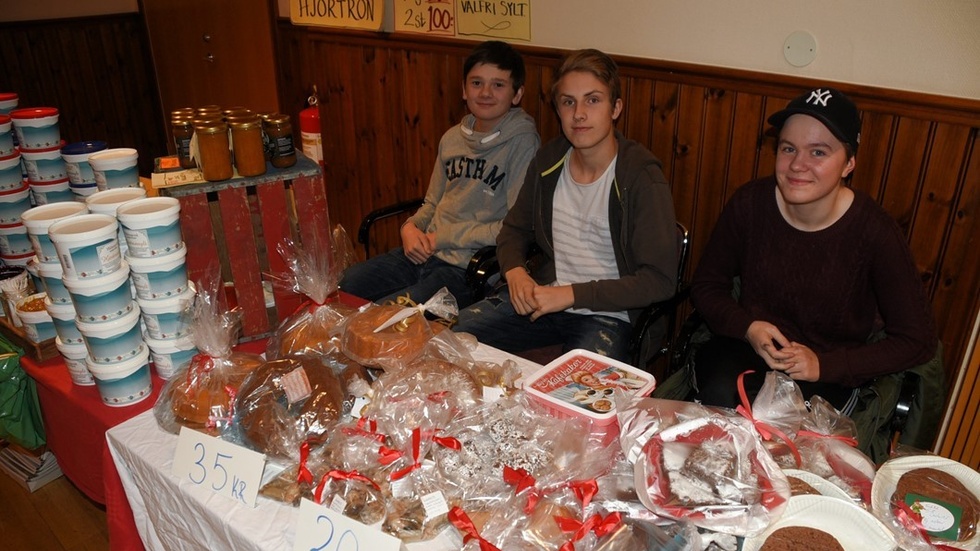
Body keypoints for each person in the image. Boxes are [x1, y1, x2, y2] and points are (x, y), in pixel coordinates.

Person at [689, 86, 938, 410]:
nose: (797, 165)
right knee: (715, 410)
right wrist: (748, 327)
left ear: (848, 163)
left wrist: (825, 365)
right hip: (746, 352)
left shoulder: (875, 232)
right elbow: (706, 286)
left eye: (818, 152)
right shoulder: (750, 203)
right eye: (788, 148)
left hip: (828, 375)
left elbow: (917, 340)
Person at [453, 49, 678, 363]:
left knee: (578, 396)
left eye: (593, 100)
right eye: (568, 102)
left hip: (609, 315)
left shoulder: (640, 177)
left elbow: (660, 280)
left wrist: (571, 294)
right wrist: (515, 272)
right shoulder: (548, 161)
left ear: (616, 108)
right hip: (544, 296)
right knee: (447, 340)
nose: (579, 114)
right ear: (558, 109)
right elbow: (513, 230)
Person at [339, 40, 540, 308]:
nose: (486, 92)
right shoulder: (452, 139)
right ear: (464, 90)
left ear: (517, 94)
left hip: (466, 268)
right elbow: (432, 203)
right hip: (424, 253)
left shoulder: (523, 142)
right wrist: (409, 227)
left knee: (390, 315)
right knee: (346, 286)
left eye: (498, 85)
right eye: (476, 83)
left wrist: (442, 238)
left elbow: (512, 227)